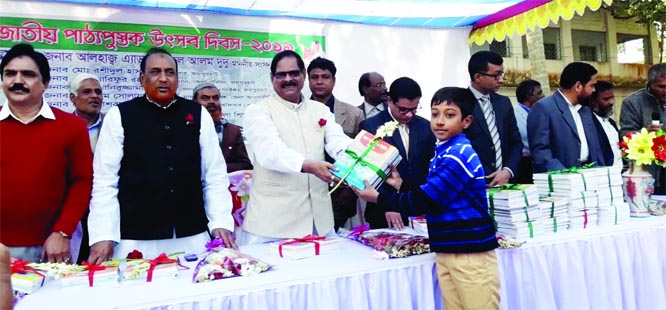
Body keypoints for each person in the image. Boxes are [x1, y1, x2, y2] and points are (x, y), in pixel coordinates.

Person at [87, 48, 237, 264]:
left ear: (177, 79)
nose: (163, 78)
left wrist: (220, 222)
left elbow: (214, 175)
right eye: (155, 72)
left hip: (192, 234)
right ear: (142, 79)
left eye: (170, 72)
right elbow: (105, 181)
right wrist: (103, 235)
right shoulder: (120, 116)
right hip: (135, 237)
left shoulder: (197, 114)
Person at [355, 87, 499, 310]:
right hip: (450, 248)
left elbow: (426, 201)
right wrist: (401, 185)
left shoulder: (457, 154)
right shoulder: (444, 150)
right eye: (435, 114)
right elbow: (437, 193)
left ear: (467, 121)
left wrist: (379, 198)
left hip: (470, 252)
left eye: (449, 115)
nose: (440, 121)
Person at [240, 50, 351, 245]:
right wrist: (308, 165)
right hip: (273, 224)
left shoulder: (321, 110)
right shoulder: (258, 111)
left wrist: (367, 159)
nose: (288, 79)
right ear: (272, 78)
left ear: (303, 76)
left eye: (294, 73)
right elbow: (270, 153)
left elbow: (338, 143)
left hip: (320, 222)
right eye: (281, 75)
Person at [0, 43, 93, 263]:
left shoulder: (72, 126)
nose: (18, 81)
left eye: (28, 74)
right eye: (10, 74)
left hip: (53, 247)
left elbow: (82, 181)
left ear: (45, 84)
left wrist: (62, 231)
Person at [358, 77, 435, 229]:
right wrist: (388, 204)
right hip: (383, 211)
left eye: (414, 109)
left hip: (417, 208)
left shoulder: (425, 126)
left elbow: (427, 167)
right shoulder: (371, 126)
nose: (409, 115)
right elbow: (367, 170)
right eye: (403, 110)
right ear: (390, 101)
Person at [307, 57, 363, 229]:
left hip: (341, 190)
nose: (319, 82)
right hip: (307, 187)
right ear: (307, 80)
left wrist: (350, 191)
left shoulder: (354, 114)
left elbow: (360, 157)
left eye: (325, 77)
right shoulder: (298, 112)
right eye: (314, 77)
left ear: (334, 80)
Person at [528, 62, 614, 173]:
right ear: (578, 86)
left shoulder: (585, 109)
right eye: (592, 85)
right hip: (562, 180)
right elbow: (540, 152)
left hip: (591, 178)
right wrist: (566, 175)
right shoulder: (544, 108)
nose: (594, 91)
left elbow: (596, 147)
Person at [465, 51, 523, 186]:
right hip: (474, 182)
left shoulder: (504, 102)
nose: (501, 80)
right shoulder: (460, 103)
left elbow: (516, 142)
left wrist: (508, 171)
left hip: (506, 182)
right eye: (496, 75)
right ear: (478, 77)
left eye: (501, 74)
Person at [620, 63, 666, 194]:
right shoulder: (633, 102)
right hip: (647, 171)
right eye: (661, 86)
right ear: (650, 84)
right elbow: (624, 136)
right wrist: (645, 133)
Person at [192, 82, 252, 173]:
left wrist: (218, 168)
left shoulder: (232, 131)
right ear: (194, 102)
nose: (212, 102)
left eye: (216, 98)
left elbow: (246, 165)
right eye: (205, 98)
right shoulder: (185, 128)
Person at [513, 79, 543, 183]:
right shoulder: (516, 115)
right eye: (539, 93)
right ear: (529, 97)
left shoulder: (536, 112)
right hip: (525, 164)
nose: (542, 96)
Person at [590, 81, 623, 170]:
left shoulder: (611, 122)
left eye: (612, 98)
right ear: (593, 101)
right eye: (606, 99)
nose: (611, 102)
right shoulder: (589, 124)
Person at [69, 73, 104, 152]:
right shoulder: (63, 126)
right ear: (72, 98)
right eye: (87, 92)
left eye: (98, 92)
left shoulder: (111, 123)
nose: (95, 96)